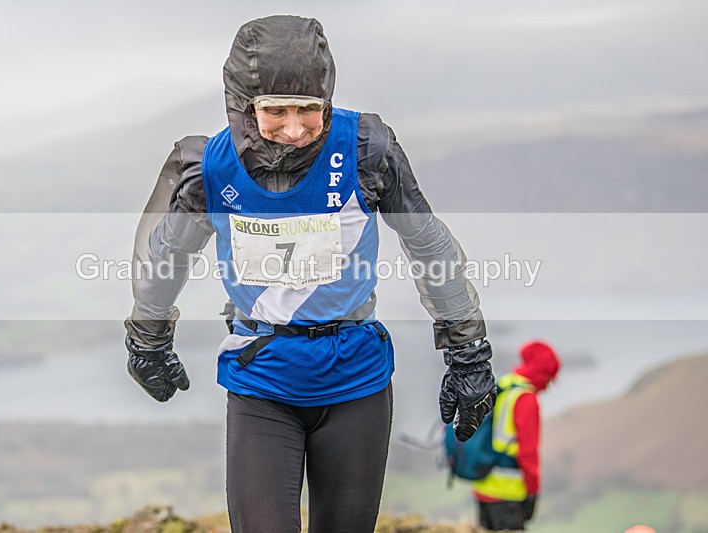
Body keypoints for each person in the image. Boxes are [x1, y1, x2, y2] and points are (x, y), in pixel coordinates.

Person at [124, 15, 496, 533]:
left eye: (309, 110)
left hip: (355, 383)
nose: (295, 128)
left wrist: (468, 350)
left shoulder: (367, 149)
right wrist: (149, 339)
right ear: (244, 106)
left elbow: (426, 240)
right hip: (262, 382)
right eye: (276, 111)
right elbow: (167, 258)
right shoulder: (208, 167)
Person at [472, 340, 561, 532]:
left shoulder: (505, 384)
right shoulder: (526, 399)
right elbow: (528, 454)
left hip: (483, 484)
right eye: (550, 377)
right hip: (508, 494)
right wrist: (533, 491)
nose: (549, 385)